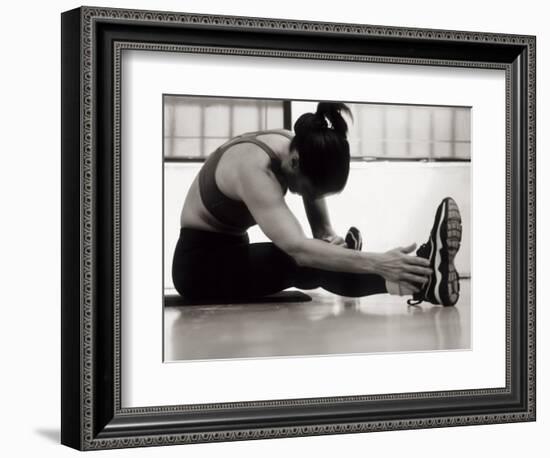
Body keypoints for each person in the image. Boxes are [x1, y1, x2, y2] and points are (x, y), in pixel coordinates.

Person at [172, 102, 462, 306]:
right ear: (295, 163)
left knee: (320, 254)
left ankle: (421, 277)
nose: (305, 195)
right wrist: (377, 261)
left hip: (233, 250)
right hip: (200, 268)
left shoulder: (300, 147)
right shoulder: (252, 167)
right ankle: (422, 280)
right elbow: (299, 249)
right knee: (301, 261)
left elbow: (320, 231)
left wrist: (331, 243)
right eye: (309, 190)